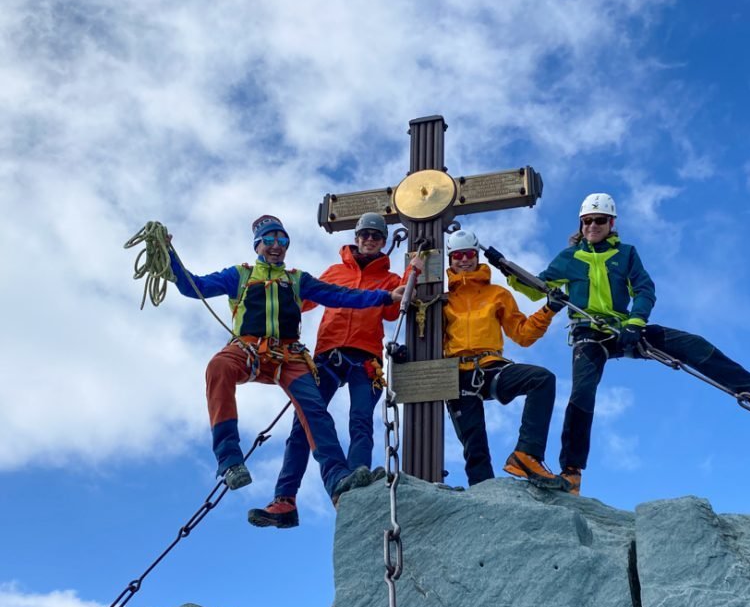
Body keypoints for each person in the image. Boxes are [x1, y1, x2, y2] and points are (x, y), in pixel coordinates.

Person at [496, 192, 750, 496]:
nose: (592, 226)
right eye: (587, 221)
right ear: (581, 223)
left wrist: (635, 322)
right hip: (588, 332)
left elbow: (644, 289)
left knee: (691, 344)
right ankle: (571, 472)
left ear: (611, 223)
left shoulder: (626, 254)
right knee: (582, 392)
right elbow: (536, 288)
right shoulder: (569, 258)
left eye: (599, 220)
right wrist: (508, 269)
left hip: (624, 328)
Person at [167, 214, 408, 528]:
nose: (276, 246)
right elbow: (193, 286)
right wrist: (169, 257)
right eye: (269, 240)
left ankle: (340, 480)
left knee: (316, 413)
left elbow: (340, 296)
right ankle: (231, 461)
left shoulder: (298, 280)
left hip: (293, 355)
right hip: (252, 348)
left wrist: (387, 294)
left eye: (282, 240)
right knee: (218, 368)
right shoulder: (239, 275)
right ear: (258, 245)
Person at [270, 212, 422, 520]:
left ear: (383, 242)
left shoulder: (389, 279)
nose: (369, 240)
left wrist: (411, 273)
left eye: (375, 236)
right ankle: (285, 497)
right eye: (364, 234)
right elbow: (305, 300)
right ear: (356, 237)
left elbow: (395, 312)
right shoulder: (334, 272)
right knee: (304, 424)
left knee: (361, 420)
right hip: (328, 354)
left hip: (365, 357)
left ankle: (357, 481)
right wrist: (274, 297)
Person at [443, 229, 566, 489]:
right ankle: (484, 493)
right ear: (450, 260)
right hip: (455, 374)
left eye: (469, 254)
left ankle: (526, 454)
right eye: (457, 256)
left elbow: (522, 334)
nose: (464, 260)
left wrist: (548, 309)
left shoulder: (496, 294)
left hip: (490, 367)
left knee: (541, 379)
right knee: (474, 443)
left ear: (477, 257)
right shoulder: (441, 300)